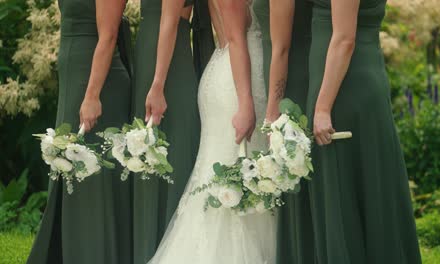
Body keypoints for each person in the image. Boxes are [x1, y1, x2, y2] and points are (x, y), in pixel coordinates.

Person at [146, 0, 277, 263]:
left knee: (239, 177)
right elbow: (237, 37)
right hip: (239, 80)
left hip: (230, 72)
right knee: (241, 177)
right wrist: (245, 103)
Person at [306, 0, 422, 263]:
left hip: (343, 89)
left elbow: (345, 39)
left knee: (347, 193)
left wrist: (323, 107)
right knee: (366, 189)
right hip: (348, 80)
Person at [27, 0, 132, 263]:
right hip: (75, 76)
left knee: (90, 176)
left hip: (97, 83)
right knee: (70, 170)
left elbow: (108, 36)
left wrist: (92, 96)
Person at [131, 1, 214, 262]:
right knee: (149, 160)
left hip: (164, 60)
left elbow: (169, 22)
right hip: (155, 51)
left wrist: (157, 85)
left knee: (172, 155)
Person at [253, 0, 316, 263]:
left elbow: (281, 48)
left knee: (298, 175)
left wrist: (272, 113)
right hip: (291, 75)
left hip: (291, 81)